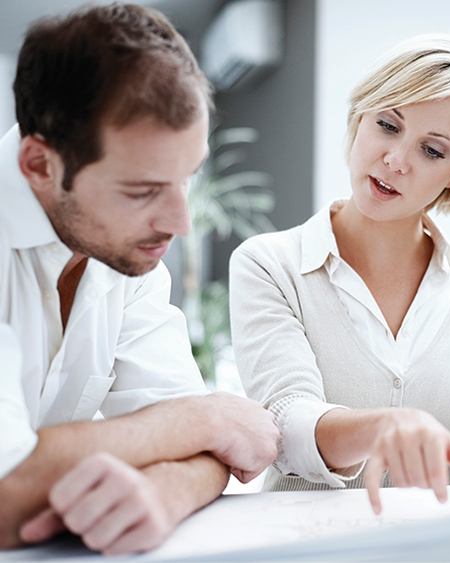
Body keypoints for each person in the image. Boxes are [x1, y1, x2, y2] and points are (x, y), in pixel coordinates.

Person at [0, 3, 279, 555]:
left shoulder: (124, 247)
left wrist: (167, 490)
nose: (179, 222)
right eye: (142, 190)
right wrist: (203, 415)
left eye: (186, 178)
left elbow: (210, 452)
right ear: (40, 165)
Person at [230, 34, 450, 513]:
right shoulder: (269, 265)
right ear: (360, 117)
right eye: (388, 124)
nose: (396, 160)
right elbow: (285, 425)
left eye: (432, 151)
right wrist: (385, 427)